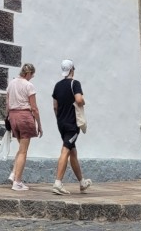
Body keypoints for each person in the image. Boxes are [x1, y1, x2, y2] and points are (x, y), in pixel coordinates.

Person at [51, 59, 91, 194]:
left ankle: (82, 182)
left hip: (61, 124)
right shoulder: (75, 83)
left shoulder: (57, 86)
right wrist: (83, 100)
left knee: (73, 152)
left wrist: (60, 119)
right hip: (72, 125)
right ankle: (58, 183)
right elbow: (79, 100)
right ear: (72, 70)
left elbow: (55, 106)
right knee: (66, 150)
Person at [5, 63, 42, 191]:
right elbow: (34, 108)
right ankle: (18, 182)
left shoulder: (11, 83)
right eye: (32, 75)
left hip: (13, 117)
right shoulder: (28, 85)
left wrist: (8, 119)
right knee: (23, 151)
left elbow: (7, 104)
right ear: (28, 73)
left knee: (21, 148)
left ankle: (13, 174)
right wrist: (39, 125)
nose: (32, 77)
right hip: (24, 117)